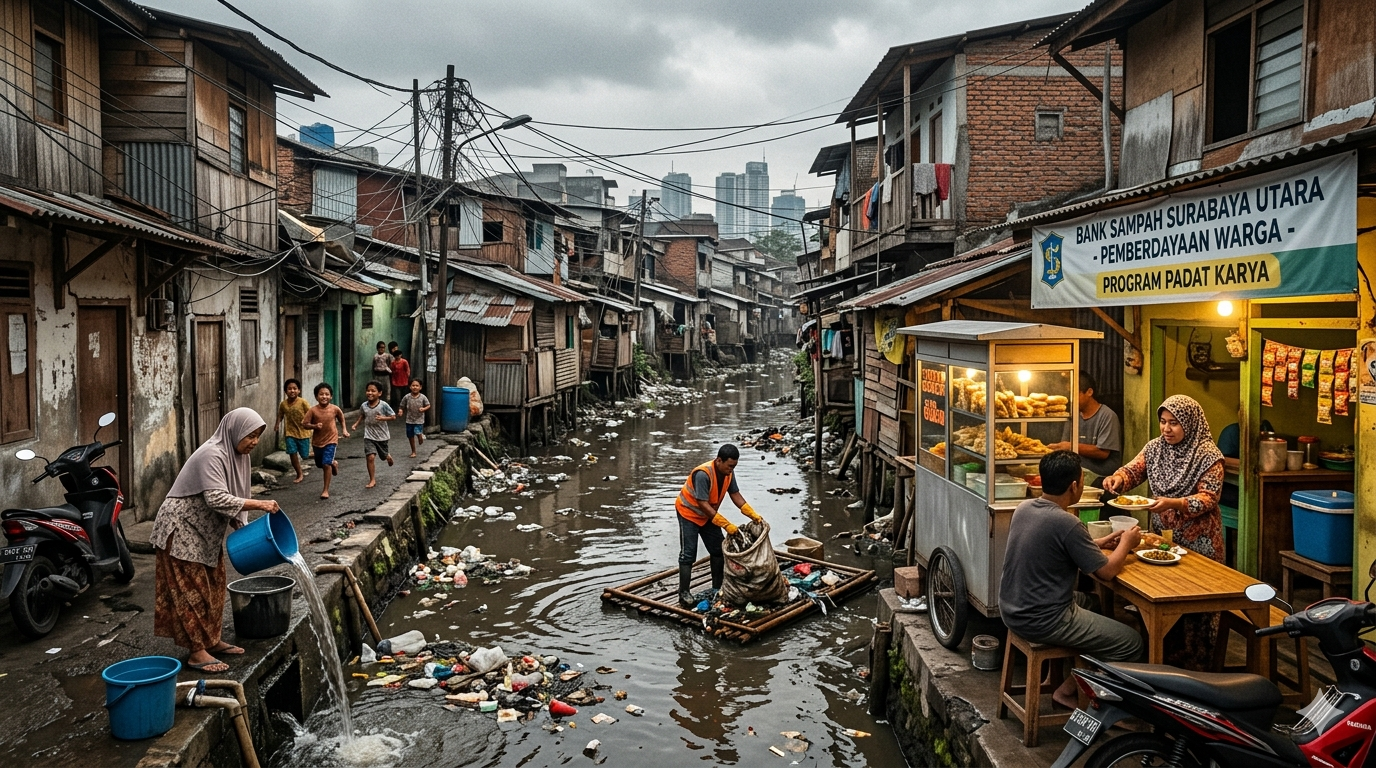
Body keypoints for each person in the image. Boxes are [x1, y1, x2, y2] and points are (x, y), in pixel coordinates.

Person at [999, 450, 1142, 709]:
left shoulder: (1024, 508)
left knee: (1095, 604)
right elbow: (1107, 572)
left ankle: (1072, 684)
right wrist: (1127, 543)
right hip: (1044, 618)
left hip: (1012, 609)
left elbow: (1057, 545)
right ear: (1075, 486)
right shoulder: (1066, 522)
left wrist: (1095, 542)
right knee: (1131, 642)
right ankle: (1087, 698)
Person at [151, 408, 280, 673]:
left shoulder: (235, 457)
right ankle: (197, 652)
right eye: (250, 436)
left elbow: (228, 497)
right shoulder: (212, 454)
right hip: (181, 529)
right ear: (234, 431)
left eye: (257, 436)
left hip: (205, 531)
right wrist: (259, 504)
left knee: (215, 584)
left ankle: (212, 640)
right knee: (191, 591)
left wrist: (238, 520)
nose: (254, 442)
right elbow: (217, 498)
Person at [1103, 394, 1225, 669]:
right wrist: (1118, 479)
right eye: (1163, 422)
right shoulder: (1155, 448)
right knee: (1161, 595)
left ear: (1190, 424)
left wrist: (1176, 503)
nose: (1166, 429)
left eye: (1174, 423)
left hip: (1200, 541)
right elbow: (1133, 471)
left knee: (1195, 607)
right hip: (1162, 540)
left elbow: (1209, 497)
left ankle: (1196, 670)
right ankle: (1159, 662)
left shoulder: (1208, 455)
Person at [674, 444, 762, 608]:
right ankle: (683, 593)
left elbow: (735, 494)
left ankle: (717, 587)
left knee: (718, 550)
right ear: (719, 460)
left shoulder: (728, 473)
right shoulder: (703, 474)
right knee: (688, 553)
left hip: (709, 515)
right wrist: (726, 524)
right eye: (729, 466)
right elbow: (702, 503)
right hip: (689, 514)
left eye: (734, 466)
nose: (731, 469)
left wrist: (751, 513)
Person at [1048, 371, 1122, 485]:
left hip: (1102, 479)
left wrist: (1070, 446)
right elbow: (1064, 444)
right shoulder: (1073, 415)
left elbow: (1102, 453)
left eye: (1075, 393)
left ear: (1089, 392)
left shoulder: (1107, 416)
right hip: (1076, 476)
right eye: (1069, 394)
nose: (1071, 399)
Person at [305, 382, 349, 500]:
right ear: (316, 397)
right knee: (320, 464)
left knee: (325, 464)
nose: (324, 396)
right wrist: (314, 426)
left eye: (327, 394)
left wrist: (344, 430)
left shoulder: (335, 409)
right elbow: (304, 424)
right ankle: (333, 463)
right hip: (317, 442)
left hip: (331, 440)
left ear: (331, 396)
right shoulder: (313, 411)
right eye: (321, 394)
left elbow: (341, 418)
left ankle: (325, 490)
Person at [351, 381, 397, 489]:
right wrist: (356, 424)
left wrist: (383, 418)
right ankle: (372, 479)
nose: (370, 393)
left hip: (382, 435)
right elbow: (362, 415)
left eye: (373, 391)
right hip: (369, 435)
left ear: (379, 393)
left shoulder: (383, 405)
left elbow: (393, 416)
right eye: (368, 390)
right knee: (370, 457)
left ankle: (387, 456)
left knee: (382, 456)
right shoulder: (364, 405)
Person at [274, 378, 311, 484]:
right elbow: (280, 415)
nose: (292, 391)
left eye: (295, 388)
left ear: (299, 390)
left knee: (305, 455)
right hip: (290, 432)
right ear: (285, 391)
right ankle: (299, 474)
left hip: (303, 432)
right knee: (292, 452)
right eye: (289, 389)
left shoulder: (303, 402)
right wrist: (277, 424)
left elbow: (311, 413)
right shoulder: (283, 404)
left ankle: (321, 455)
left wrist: (313, 425)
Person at [400, 379, 431, 457]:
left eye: (417, 386)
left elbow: (428, 405)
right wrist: (401, 411)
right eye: (413, 385)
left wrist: (424, 409)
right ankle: (413, 451)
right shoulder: (407, 397)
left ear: (420, 387)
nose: (415, 387)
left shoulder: (423, 397)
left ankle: (420, 436)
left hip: (419, 419)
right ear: (410, 387)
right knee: (410, 436)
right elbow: (402, 405)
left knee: (417, 431)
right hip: (409, 419)